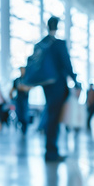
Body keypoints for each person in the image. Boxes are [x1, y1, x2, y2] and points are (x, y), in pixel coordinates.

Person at [40, 16, 77, 162]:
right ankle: (51, 151)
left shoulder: (42, 44)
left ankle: (50, 149)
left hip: (46, 85)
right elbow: (67, 64)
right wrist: (75, 81)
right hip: (57, 84)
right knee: (54, 117)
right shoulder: (59, 44)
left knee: (50, 114)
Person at [10, 67, 30, 135]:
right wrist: (12, 98)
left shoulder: (27, 79)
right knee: (19, 114)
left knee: (25, 115)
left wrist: (23, 88)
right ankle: (21, 128)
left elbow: (29, 87)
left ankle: (24, 130)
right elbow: (12, 90)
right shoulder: (17, 80)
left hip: (25, 100)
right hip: (18, 100)